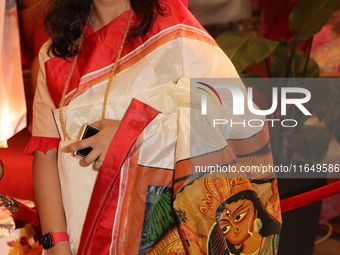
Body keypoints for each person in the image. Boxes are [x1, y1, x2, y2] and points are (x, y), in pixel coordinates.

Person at [25, 0, 281, 254]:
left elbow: (235, 115)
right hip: (81, 234)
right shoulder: (56, 52)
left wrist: (135, 133)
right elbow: (46, 151)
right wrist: (56, 243)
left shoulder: (172, 29)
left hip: (162, 234)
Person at [208, 189, 281, 255]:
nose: (234, 229)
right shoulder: (227, 253)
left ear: (256, 211)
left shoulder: (273, 241)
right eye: (225, 228)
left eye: (238, 217)